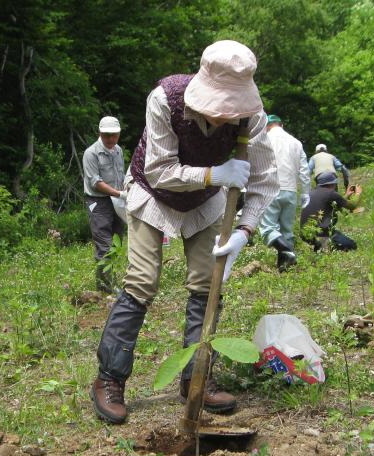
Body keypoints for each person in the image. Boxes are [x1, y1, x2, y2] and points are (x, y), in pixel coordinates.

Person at [89, 40, 278, 424]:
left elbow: (264, 181)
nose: (227, 114)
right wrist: (215, 173)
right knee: (142, 281)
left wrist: (244, 230)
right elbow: (160, 169)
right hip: (151, 193)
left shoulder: (251, 116)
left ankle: (197, 379)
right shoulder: (165, 99)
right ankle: (109, 379)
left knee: (208, 285)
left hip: (206, 202)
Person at [258, 114, 308, 272]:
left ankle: (289, 253)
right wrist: (305, 193)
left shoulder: (264, 139)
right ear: (282, 125)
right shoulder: (296, 142)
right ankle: (284, 267)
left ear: (266, 126)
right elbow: (305, 170)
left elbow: (256, 165)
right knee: (287, 231)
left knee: (267, 229)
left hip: (270, 188)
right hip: (291, 191)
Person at [82, 116, 126, 293]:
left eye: (114, 135)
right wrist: (120, 193)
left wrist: (123, 191)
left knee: (116, 242)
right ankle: (107, 286)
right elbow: (96, 183)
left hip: (117, 200)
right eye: (107, 135)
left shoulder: (118, 151)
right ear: (100, 133)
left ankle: (104, 283)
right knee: (104, 244)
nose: (111, 139)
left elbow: (120, 176)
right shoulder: (91, 153)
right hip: (98, 202)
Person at [301, 172, 360, 251]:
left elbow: (333, 204)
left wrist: (346, 195)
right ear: (331, 184)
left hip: (305, 234)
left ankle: (318, 245)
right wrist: (358, 194)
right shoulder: (331, 193)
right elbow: (353, 205)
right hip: (322, 233)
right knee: (352, 245)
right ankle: (324, 246)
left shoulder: (310, 194)